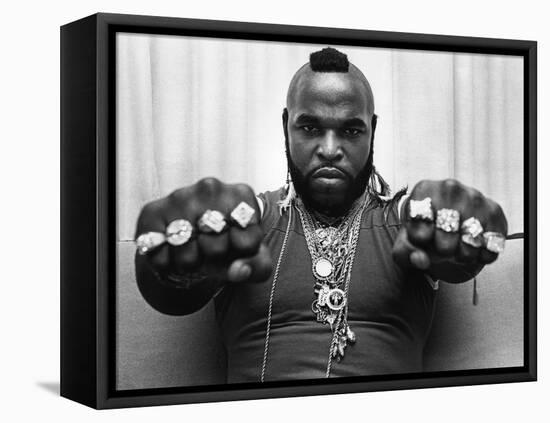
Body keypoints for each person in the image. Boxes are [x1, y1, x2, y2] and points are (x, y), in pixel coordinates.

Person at [134, 47, 508, 383]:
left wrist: (459, 221)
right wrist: (174, 261)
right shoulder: (249, 222)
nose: (330, 149)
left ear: (371, 131)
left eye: (350, 130)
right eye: (310, 127)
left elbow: (453, 255)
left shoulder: (407, 222)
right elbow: (168, 294)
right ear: (286, 127)